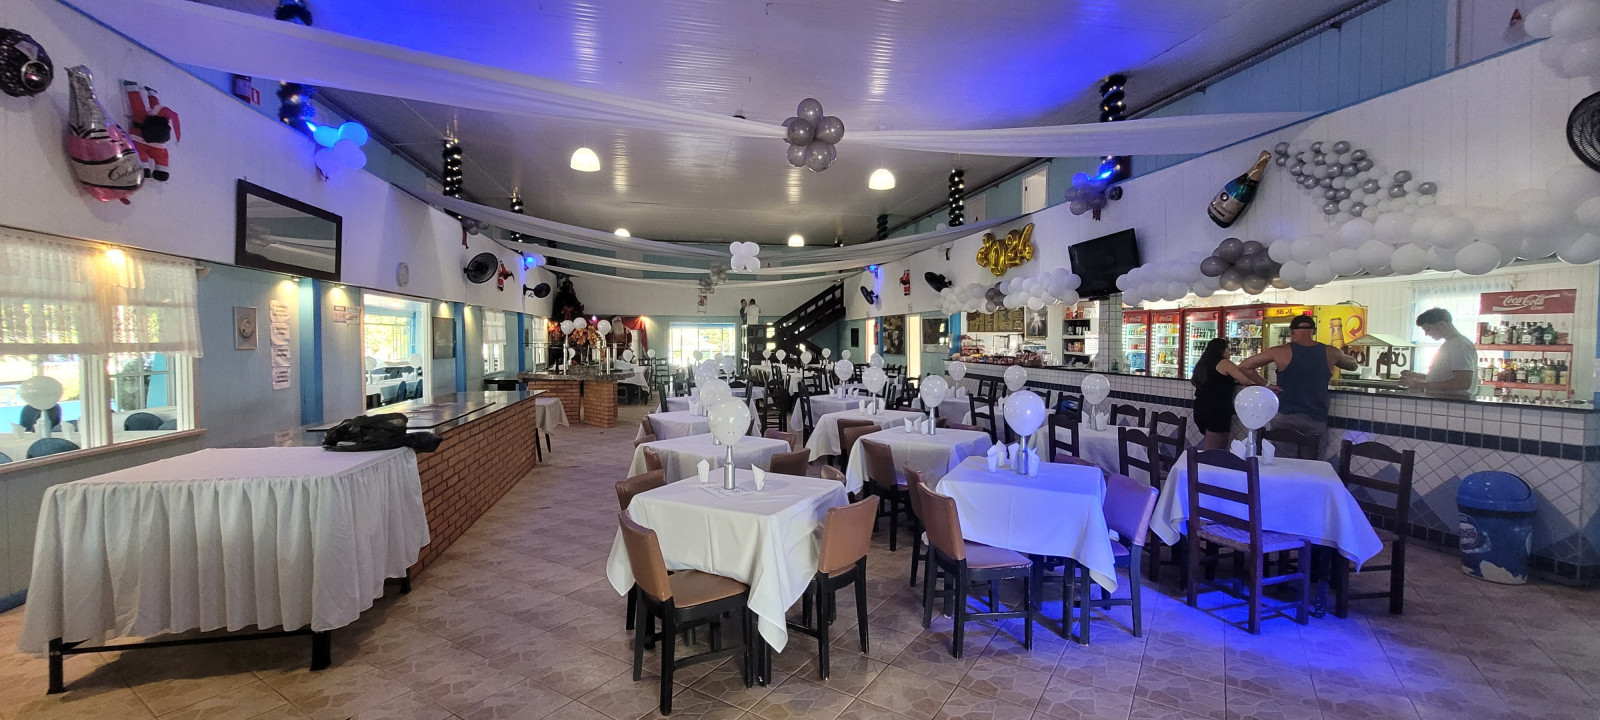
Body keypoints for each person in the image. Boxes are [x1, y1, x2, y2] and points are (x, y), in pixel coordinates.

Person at [1239, 315, 1359, 458]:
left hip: (1285, 416)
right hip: (1316, 417)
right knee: (1312, 463)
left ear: (1292, 332)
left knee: (1284, 462)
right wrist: (1340, 356)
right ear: (1314, 331)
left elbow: (1245, 366)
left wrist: (1267, 385)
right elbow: (1353, 365)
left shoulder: (1280, 351)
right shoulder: (1330, 352)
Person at [1189, 338, 1262, 450]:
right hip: (1217, 410)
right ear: (1221, 350)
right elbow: (1245, 380)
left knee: (1210, 445)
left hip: (1201, 408)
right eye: (1228, 349)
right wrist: (1264, 385)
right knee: (1216, 450)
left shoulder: (1202, 364)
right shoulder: (1224, 363)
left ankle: (1203, 461)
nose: (1230, 353)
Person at [1400, 308, 1478, 398]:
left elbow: (1462, 383)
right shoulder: (1451, 344)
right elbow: (1442, 378)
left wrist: (1418, 384)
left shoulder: (1461, 346)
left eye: (1428, 329)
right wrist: (1416, 376)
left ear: (1442, 325)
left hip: (1454, 401)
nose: (1426, 334)